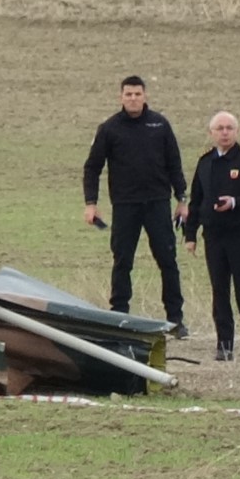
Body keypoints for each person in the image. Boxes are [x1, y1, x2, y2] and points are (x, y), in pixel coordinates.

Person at [83, 75, 190, 337]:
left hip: (157, 204)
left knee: (167, 260)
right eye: (128, 94)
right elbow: (92, 168)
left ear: (145, 96)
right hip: (125, 205)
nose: (133, 98)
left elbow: (174, 163)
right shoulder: (109, 128)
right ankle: (119, 317)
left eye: (137, 94)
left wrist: (182, 199)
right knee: (122, 261)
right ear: (121, 97)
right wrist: (91, 204)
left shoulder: (160, 124)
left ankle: (175, 320)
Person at [182, 112, 240, 362]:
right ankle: (224, 345)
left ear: (237, 131)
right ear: (211, 133)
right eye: (219, 128)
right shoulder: (205, 162)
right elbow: (197, 201)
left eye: (229, 128)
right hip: (214, 237)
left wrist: (235, 202)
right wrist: (191, 235)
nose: (224, 132)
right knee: (219, 292)